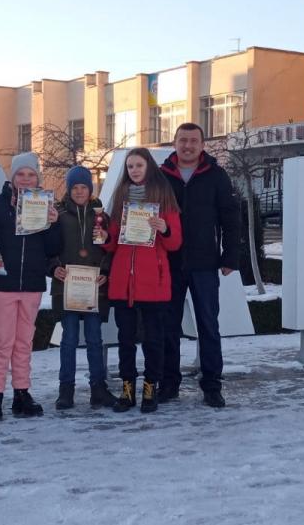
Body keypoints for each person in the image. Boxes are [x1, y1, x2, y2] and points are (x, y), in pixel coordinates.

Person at [0, 152, 60, 422]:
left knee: (24, 341)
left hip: (32, 283)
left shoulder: (45, 205)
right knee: (2, 342)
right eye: (20, 174)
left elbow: (53, 248)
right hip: (1, 283)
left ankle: (22, 393)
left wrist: (53, 225)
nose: (25, 179)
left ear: (38, 178)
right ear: (12, 177)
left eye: (31, 174)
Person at [159, 123, 240, 408]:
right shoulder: (161, 176)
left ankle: (212, 385)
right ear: (174, 143)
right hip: (168, 263)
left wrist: (230, 256)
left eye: (194, 141)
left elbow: (230, 218)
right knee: (168, 326)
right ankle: (169, 384)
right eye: (183, 140)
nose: (188, 146)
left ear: (203, 145)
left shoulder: (216, 175)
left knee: (208, 325)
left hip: (204, 263)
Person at [99, 148, 182, 413]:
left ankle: (150, 387)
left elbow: (175, 243)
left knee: (153, 341)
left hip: (152, 283)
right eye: (130, 166)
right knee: (125, 341)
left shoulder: (164, 198)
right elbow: (112, 244)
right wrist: (104, 237)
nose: (134, 170)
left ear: (149, 167)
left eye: (139, 165)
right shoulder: (120, 199)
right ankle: (127, 389)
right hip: (123, 283)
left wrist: (164, 229)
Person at [46, 166, 118, 410]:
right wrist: (54, 267)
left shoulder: (102, 216)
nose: (79, 191)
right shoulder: (57, 215)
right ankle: (65, 390)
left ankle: (98, 388)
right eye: (75, 187)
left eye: (83, 187)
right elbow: (48, 247)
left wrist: (106, 272)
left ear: (90, 189)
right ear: (69, 189)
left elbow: (111, 249)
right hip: (67, 287)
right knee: (68, 340)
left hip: (94, 288)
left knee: (95, 339)